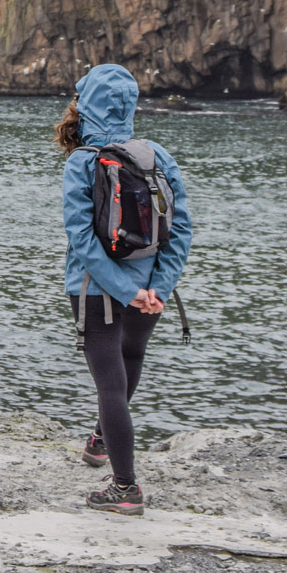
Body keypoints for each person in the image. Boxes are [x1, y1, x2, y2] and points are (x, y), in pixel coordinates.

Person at [55, 63, 193, 518]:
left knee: (109, 386)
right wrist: (157, 286)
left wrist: (119, 288)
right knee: (130, 360)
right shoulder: (158, 156)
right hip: (150, 290)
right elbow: (183, 230)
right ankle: (99, 440)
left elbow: (82, 240)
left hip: (96, 289)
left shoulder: (82, 162)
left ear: (86, 106)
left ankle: (125, 488)